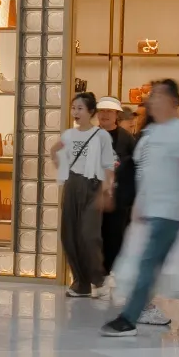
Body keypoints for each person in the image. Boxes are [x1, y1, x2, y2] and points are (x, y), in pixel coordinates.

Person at [100, 79, 179, 337]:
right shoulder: (150, 133)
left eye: (158, 96)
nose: (152, 101)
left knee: (148, 263)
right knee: (178, 265)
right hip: (149, 210)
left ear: (173, 102)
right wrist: (137, 206)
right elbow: (144, 173)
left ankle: (129, 318)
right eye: (151, 97)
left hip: (169, 210)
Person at [51, 91, 117, 297]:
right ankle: (81, 284)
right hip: (72, 184)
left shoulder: (101, 136)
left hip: (93, 186)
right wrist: (58, 160)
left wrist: (105, 190)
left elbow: (108, 165)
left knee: (89, 235)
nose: (75, 112)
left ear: (91, 112)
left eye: (80, 108)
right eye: (73, 108)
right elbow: (55, 152)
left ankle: (98, 278)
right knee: (69, 236)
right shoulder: (69, 135)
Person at [98, 96, 138, 270]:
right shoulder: (90, 135)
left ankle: (112, 275)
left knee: (116, 237)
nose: (104, 114)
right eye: (101, 110)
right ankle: (96, 275)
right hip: (94, 196)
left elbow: (135, 167)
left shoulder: (127, 139)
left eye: (109, 111)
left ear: (117, 115)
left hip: (119, 198)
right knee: (94, 237)